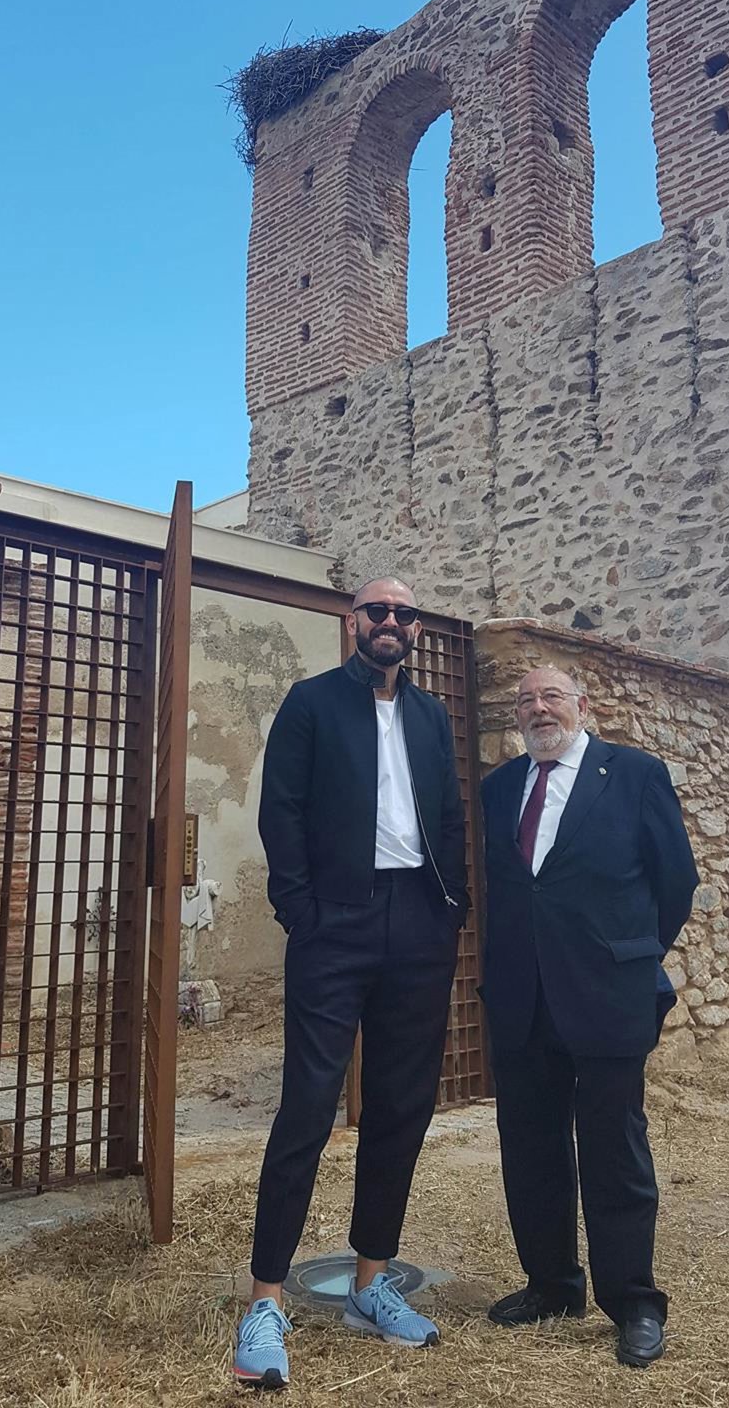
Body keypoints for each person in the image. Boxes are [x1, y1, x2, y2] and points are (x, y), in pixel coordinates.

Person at [233, 576, 469, 1391]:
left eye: (404, 613)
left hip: (419, 923)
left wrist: (452, 906)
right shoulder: (311, 703)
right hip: (335, 921)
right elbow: (281, 811)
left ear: (414, 630)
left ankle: (372, 1283)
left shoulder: (431, 715)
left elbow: (448, 816)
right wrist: (301, 911)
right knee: (308, 1103)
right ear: (353, 621)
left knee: (402, 1106)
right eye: (378, 610)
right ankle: (266, 1300)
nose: (391, 621)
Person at [480, 664, 698, 1368]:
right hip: (522, 999)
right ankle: (552, 1285)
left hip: (608, 995)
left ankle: (634, 1302)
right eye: (525, 701)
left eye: (551, 696)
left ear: (581, 705)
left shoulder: (633, 774)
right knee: (531, 1147)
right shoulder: (499, 790)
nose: (538, 709)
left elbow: (676, 881)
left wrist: (629, 956)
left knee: (615, 1150)